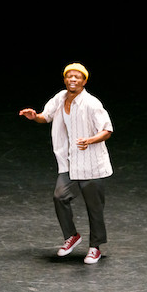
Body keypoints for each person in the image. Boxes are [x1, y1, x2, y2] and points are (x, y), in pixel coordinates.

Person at [19, 62, 113, 264]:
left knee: (94, 208)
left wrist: (89, 140)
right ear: (64, 79)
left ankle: (95, 247)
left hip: (91, 164)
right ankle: (72, 236)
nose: (72, 79)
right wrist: (35, 117)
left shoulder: (92, 103)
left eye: (77, 77)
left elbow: (107, 130)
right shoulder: (60, 98)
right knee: (60, 197)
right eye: (69, 76)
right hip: (70, 162)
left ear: (84, 80)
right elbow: (47, 116)